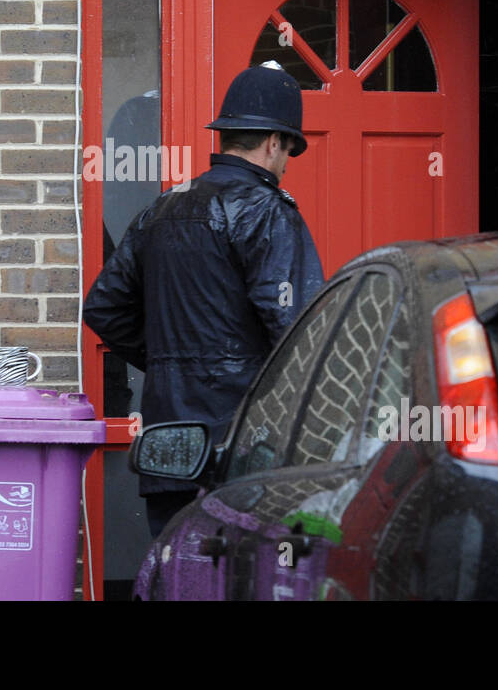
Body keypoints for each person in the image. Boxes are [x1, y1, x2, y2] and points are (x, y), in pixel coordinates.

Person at [83, 64, 325, 537]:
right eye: (289, 150)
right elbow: (296, 330)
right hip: (245, 445)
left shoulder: (163, 206)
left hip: (170, 442)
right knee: (239, 577)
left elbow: (103, 307)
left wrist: (169, 362)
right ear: (274, 142)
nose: (286, 161)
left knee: (177, 571)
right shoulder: (266, 210)